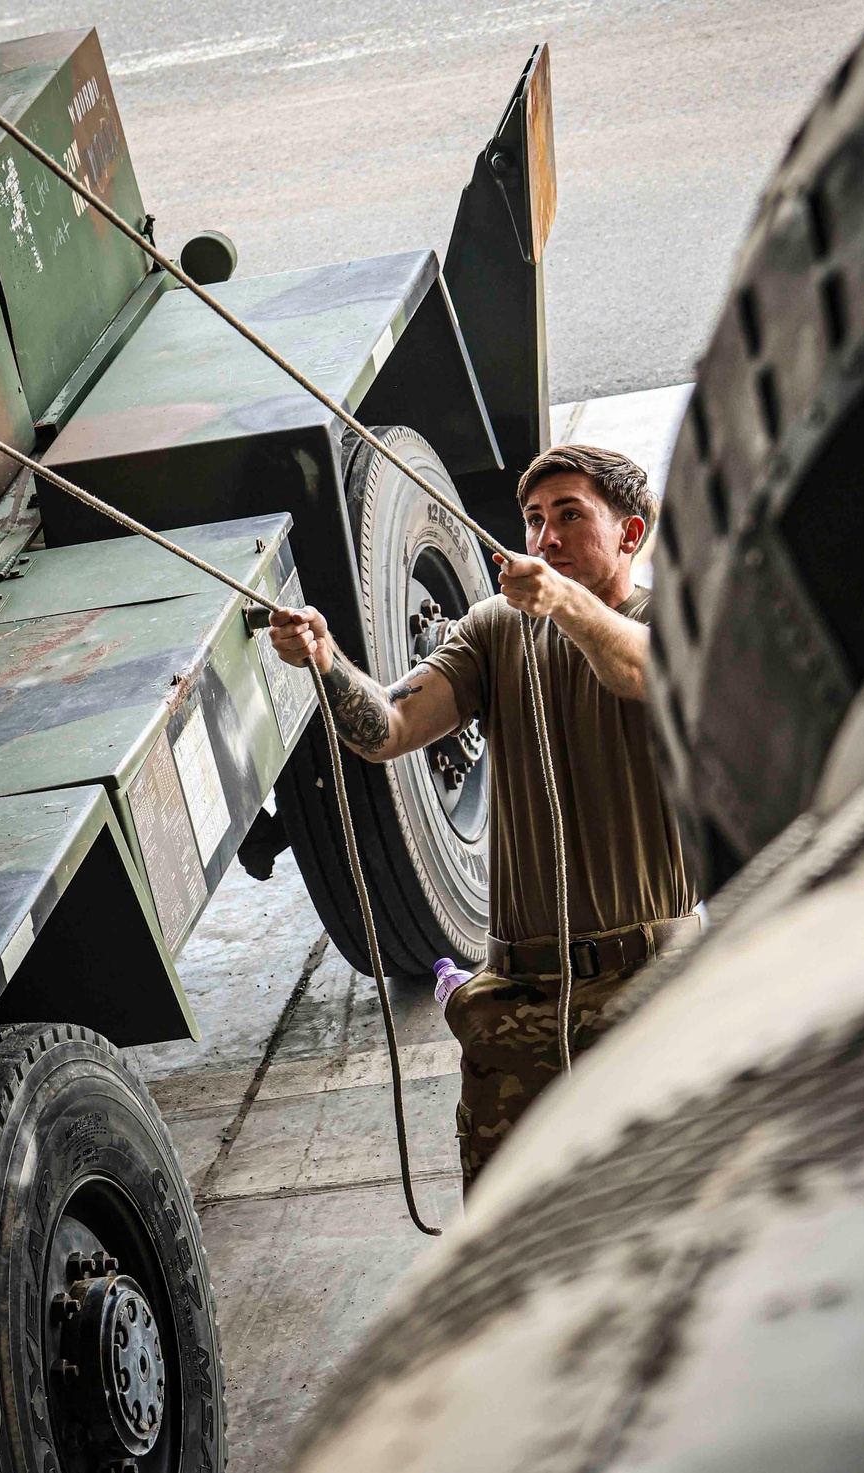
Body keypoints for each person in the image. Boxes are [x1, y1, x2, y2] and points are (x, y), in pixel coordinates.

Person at [269, 444, 698, 1190]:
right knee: (509, 1250)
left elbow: (643, 670)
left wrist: (563, 604)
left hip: (651, 987)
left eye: (569, 516)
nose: (545, 538)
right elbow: (388, 731)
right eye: (533, 520)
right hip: (523, 1002)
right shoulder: (495, 628)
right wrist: (326, 660)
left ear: (630, 534)